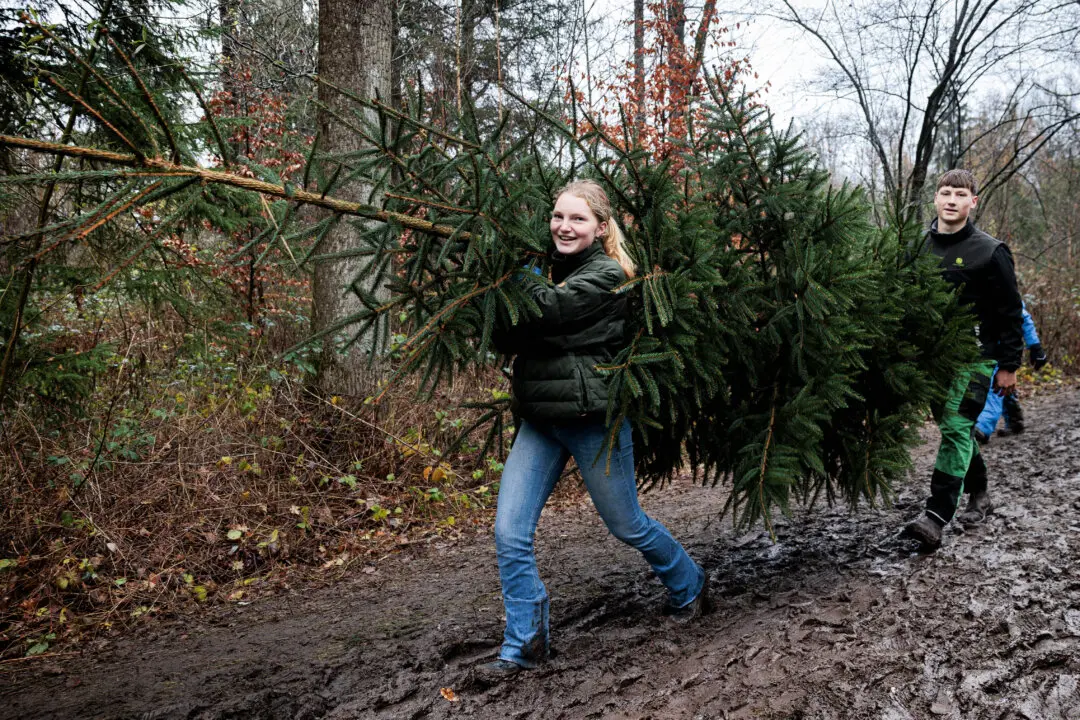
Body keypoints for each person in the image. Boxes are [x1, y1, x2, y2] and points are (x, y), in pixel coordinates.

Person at [478, 179, 709, 681]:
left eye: (578, 219)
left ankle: (689, 583)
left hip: (592, 422)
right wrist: (526, 308)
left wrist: (516, 286)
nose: (564, 226)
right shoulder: (542, 269)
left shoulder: (608, 274)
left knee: (626, 525)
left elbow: (545, 311)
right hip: (540, 421)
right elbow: (505, 329)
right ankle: (524, 642)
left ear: (601, 228)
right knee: (509, 532)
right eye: (558, 216)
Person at [904, 169, 1024, 550]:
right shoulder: (917, 247)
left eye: (960, 194)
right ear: (935, 199)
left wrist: (1009, 365)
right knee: (953, 427)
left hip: (978, 357)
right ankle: (981, 492)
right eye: (945, 192)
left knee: (956, 426)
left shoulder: (990, 251)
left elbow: (1010, 311)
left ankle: (936, 516)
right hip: (933, 359)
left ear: (973, 202)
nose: (951, 199)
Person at [974, 302, 1048, 443]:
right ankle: (1014, 419)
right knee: (1004, 388)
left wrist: (1035, 346)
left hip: (1004, 350)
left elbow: (1023, 318)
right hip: (985, 347)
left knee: (995, 388)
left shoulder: (1004, 292)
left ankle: (982, 428)